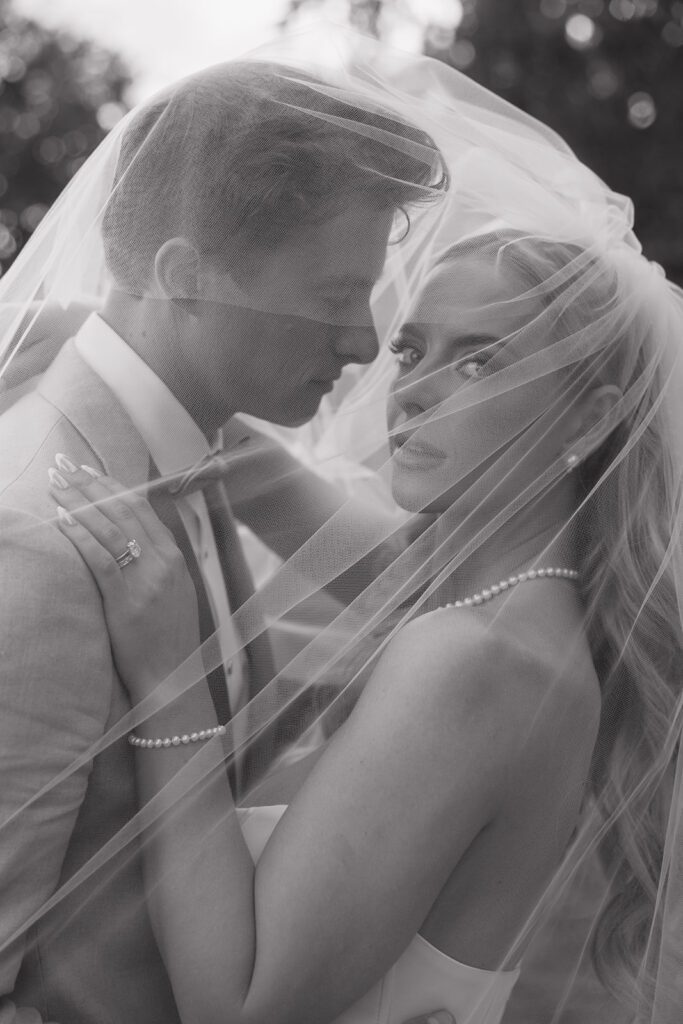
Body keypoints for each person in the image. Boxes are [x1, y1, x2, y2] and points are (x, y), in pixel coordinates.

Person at [46, 207, 683, 1024]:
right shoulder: (504, 606)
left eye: (478, 363)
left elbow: (239, 1006)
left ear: (590, 419)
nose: (411, 392)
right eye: (411, 352)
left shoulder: (469, 657)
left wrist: (168, 672)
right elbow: (253, 473)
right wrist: (110, 346)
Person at [0, 55, 448, 1024]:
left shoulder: (193, 453)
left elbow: (434, 585)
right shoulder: (43, 540)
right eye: (333, 296)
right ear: (183, 276)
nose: (363, 343)